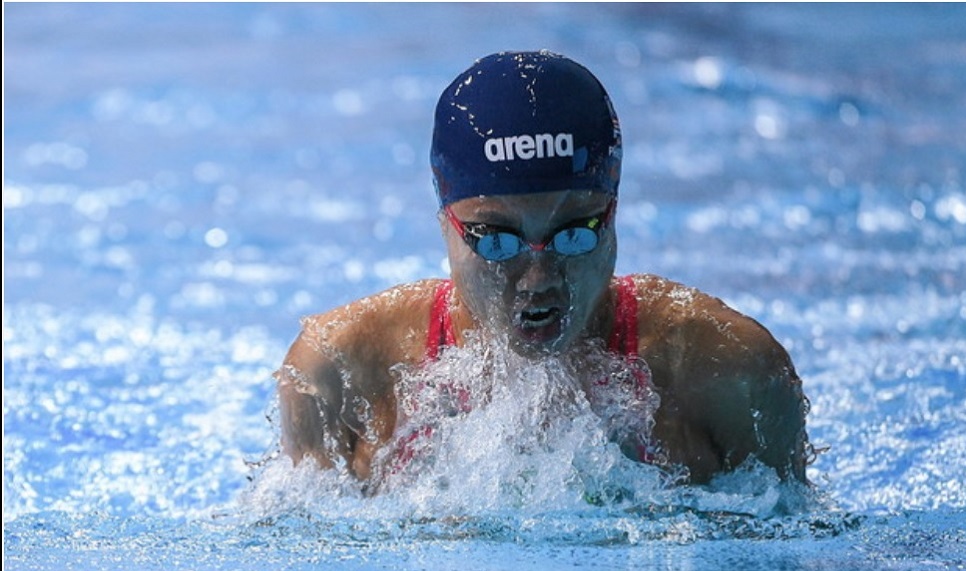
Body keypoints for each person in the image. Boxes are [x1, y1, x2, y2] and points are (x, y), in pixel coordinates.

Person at [277, 50, 812, 492]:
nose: (538, 278)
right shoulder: (339, 372)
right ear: (445, 219)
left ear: (614, 214)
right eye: (497, 240)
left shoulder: (730, 377)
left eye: (574, 232)